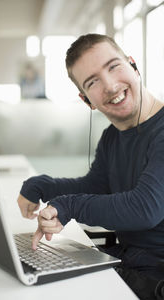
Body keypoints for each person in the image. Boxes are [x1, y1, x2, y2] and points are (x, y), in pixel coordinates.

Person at [17, 34, 164, 299]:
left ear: (133, 66)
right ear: (87, 100)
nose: (109, 86)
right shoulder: (112, 136)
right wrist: (39, 185)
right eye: (93, 81)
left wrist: (69, 206)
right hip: (131, 262)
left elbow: (146, 208)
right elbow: (94, 187)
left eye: (113, 66)